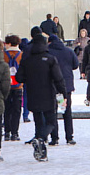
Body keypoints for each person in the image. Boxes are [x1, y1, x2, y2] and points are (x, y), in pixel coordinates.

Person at [16, 29, 66, 162]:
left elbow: (19, 77)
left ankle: (41, 152)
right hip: (48, 94)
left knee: (38, 122)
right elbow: (58, 78)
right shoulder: (50, 59)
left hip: (32, 94)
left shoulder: (27, 60)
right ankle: (41, 139)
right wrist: (63, 94)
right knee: (51, 121)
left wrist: (30, 78)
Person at [47, 34, 78, 145]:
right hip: (66, 86)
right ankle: (69, 137)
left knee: (52, 112)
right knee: (66, 111)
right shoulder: (68, 51)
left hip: (52, 86)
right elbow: (75, 65)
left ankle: (54, 138)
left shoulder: (48, 52)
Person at [2, 35, 23, 142]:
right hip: (18, 85)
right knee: (17, 109)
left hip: (6, 85)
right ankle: (15, 133)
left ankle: (6, 132)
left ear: (8, 43)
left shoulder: (3, 55)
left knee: (6, 109)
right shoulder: (21, 55)